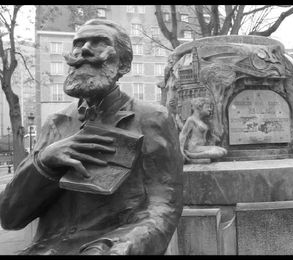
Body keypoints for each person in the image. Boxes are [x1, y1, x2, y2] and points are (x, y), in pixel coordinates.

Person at [0, 19, 183, 255]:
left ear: (124, 64)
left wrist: (117, 248)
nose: (84, 49)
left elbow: (164, 208)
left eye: (99, 43)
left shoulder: (152, 119)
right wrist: (44, 162)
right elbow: (9, 216)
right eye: (78, 43)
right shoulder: (55, 123)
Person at [179, 97, 227, 164]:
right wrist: (180, 151)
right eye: (207, 107)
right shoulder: (191, 120)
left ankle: (196, 156)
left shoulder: (201, 120)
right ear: (199, 108)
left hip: (201, 147)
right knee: (219, 152)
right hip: (194, 148)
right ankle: (191, 155)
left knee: (223, 151)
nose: (210, 109)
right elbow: (183, 134)